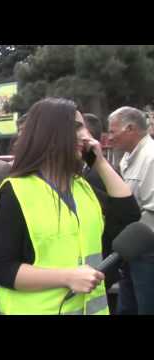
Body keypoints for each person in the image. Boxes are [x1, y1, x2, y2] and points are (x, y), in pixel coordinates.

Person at [0, 98, 139, 315]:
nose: (86, 135)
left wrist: (100, 163)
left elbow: (130, 217)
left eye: (85, 128)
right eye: (77, 127)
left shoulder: (82, 188)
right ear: (50, 132)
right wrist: (67, 277)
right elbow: (2, 269)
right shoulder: (15, 191)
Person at [108, 106, 154, 314]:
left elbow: (151, 211)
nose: (109, 138)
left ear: (130, 129)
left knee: (145, 305)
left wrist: (128, 241)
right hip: (130, 248)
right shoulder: (127, 158)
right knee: (128, 305)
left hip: (146, 250)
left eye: (112, 131)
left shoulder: (151, 157)